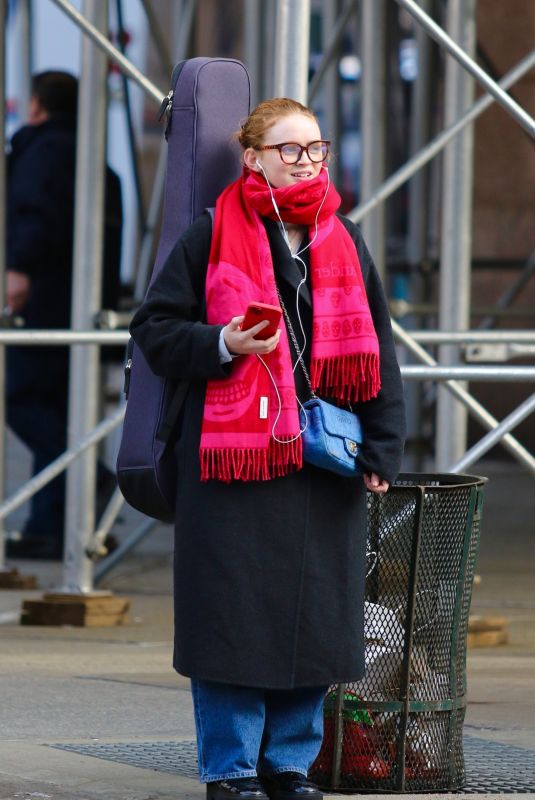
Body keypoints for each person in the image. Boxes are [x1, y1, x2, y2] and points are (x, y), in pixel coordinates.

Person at [130, 98, 405, 800]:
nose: (307, 161)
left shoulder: (341, 237)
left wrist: (381, 448)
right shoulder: (207, 233)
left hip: (320, 467)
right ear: (252, 157)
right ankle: (230, 769)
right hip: (232, 463)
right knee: (231, 624)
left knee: (315, 624)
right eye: (291, 150)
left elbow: (379, 352)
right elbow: (154, 329)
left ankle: (288, 763)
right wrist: (223, 343)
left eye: (315, 148)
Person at [5, 71, 122, 561]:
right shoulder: (98, 159)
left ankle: (88, 482)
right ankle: (51, 525)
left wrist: (19, 269)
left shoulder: (43, 150)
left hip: (49, 300)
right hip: (86, 302)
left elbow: (34, 215)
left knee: (25, 401)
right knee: (58, 407)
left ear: (36, 105)